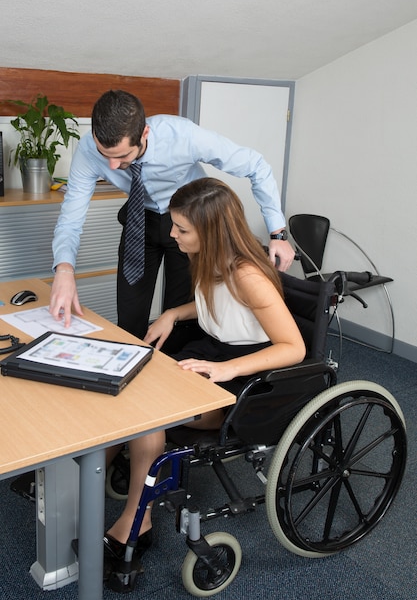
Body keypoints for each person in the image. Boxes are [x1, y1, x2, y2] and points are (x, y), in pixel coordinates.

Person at [98, 177, 305, 570]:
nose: (172, 234)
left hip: (245, 376)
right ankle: (93, 473)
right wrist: (174, 313)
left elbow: (294, 348)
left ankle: (136, 524)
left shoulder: (248, 275)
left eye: (181, 229)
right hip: (211, 352)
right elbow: (217, 303)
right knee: (127, 383)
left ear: (208, 230)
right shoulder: (210, 257)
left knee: (148, 411)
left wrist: (225, 369)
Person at [50, 90, 295, 344]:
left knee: (181, 316)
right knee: (130, 315)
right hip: (139, 219)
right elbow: (71, 217)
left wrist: (277, 232)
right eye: (105, 155)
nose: (112, 166)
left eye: (122, 156)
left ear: (144, 134)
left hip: (188, 223)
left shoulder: (181, 136)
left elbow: (256, 165)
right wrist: (64, 269)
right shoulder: (89, 149)